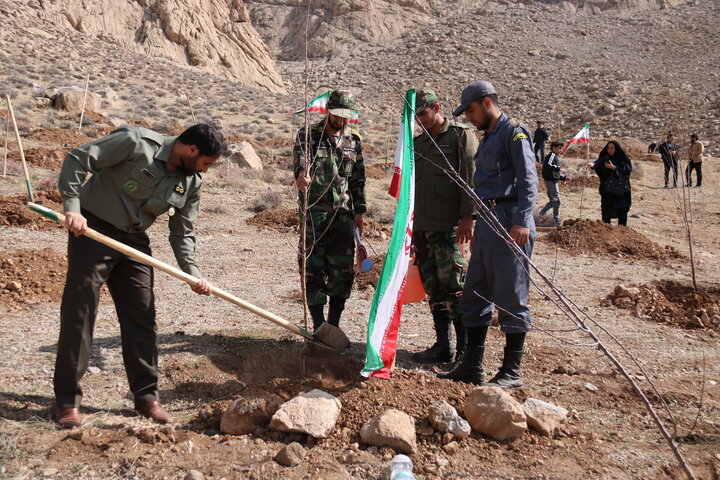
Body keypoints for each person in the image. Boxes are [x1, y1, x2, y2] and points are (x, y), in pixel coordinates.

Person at [55, 124, 226, 429]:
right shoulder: (135, 143)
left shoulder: (191, 182)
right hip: (92, 230)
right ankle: (68, 401)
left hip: (134, 241)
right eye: (206, 163)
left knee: (142, 317)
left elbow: (182, 231)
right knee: (79, 315)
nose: (206, 170)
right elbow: (78, 158)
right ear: (192, 150)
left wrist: (192, 274)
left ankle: (147, 397)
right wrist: (72, 207)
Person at [440, 80, 538, 388]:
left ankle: (511, 372)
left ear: (486, 102)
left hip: (510, 220)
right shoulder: (489, 137)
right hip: (489, 218)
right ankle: (473, 366)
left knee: (510, 294)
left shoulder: (514, 133)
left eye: (470, 110)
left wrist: (522, 220)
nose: (468, 117)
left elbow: (528, 179)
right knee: (476, 293)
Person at [410, 87, 478, 364]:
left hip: (451, 226)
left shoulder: (460, 136)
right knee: (434, 287)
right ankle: (443, 345)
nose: (421, 120)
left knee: (455, 286)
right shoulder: (418, 143)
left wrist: (468, 217)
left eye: (424, 113)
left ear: (437, 108)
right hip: (423, 226)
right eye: (416, 116)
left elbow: (471, 176)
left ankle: (464, 350)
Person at [293, 89, 366, 332]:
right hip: (315, 214)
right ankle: (317, 325)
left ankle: (333, 325)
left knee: (341, 271)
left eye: (346, 116)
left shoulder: (353, 141)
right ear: (327, 110)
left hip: (342, 216)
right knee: (312, 269)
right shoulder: (309, 136)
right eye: (337, 115)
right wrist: (302, 176)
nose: (341, 121)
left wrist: (360, 211)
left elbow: (358, 180)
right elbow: (301, 163)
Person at [587, 140, 632, 226]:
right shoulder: (605, 157)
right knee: (606, 212)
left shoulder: (623, 158)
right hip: (608, 191)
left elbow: (627, 170)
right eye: (609, 148)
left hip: (621, 191)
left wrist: (614, 168)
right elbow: (598, 162)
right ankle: (606, 230)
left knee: (622, 212)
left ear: (616, 149)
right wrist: (592, 164)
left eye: (612, 148)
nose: (610, 150)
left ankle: (622, 232)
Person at [538, 140, 568, 225]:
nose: (560, 150)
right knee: (557, 201)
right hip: (551, 182)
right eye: (559, 148)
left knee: (552, 201)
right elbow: (548, 165)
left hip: (551, 181)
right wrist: (559, 169)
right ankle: (556, 220)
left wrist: (564, 177)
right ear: (554, 148)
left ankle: (541, 214)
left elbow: (553, 173)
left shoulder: (554, 156)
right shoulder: (551, 156)